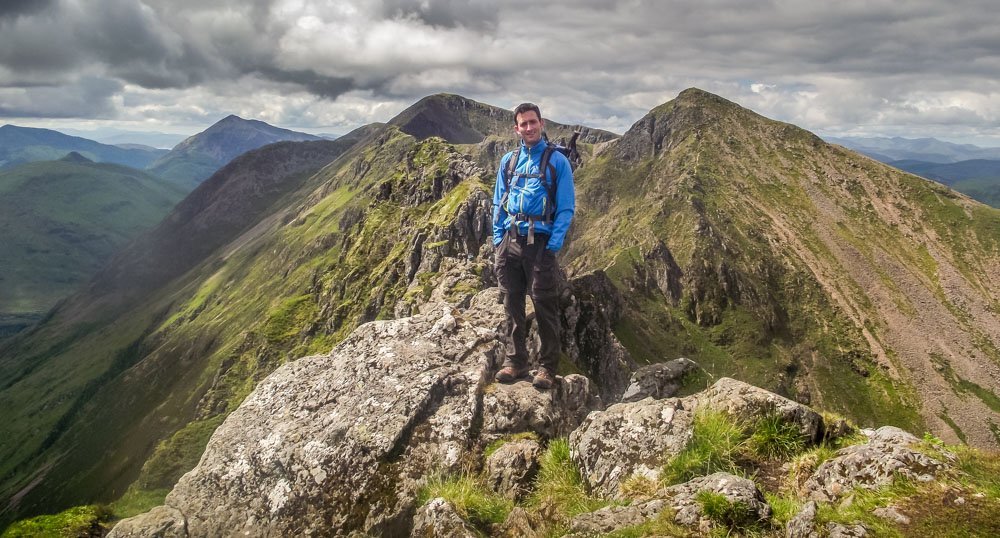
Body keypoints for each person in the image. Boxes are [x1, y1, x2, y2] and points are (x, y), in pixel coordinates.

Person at [492, 102, 575, 390]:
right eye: (523, 123)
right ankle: (515, 362)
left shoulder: (558, 162)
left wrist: (552, 245)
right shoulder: (509, 162)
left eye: (532, 122)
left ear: (541, 124)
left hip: (540, 243)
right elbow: (498, 201)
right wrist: (497, 238)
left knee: (544, 306)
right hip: (510, 240)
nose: (528, 127)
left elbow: (566, 208)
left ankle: (547, 369)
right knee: (512, 304)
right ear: (516, 128)